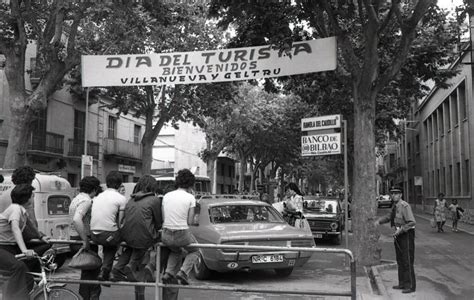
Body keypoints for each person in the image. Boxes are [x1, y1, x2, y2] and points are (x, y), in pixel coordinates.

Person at [0, 184, 51, 300]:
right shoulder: (15, 209)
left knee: (27, 276)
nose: (34, 198)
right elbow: (15, 228)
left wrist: (40, 237)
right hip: (2, 247)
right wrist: (25, 250)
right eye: (32, 196)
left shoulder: (23, 210)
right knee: (19, 267)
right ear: (26, 198)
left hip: (9, 247)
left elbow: (30, 224)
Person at [115, 175, 163, 282]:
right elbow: (158, 223)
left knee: (131, 246)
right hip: (143, 238)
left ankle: (118, 267)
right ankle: (145, 266)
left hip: (127, 236)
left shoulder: (131, 199)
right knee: (157, 241)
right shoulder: (154, 200)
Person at [161, 169, 199, 285]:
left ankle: (168, 273)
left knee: (175, 250)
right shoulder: (190, 198)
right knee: (196, 250)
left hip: (166, 234)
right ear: (191, 184)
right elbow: (190, 221)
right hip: (182, 234)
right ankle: (183, 272)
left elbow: (164, 218)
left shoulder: (167, 196)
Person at [375, 187, 416, 294]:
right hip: (398, 234)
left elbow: (411, 222)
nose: (393, 195)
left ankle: (410, 285)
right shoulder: (395, 206)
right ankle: (402, 283)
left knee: (407, 260)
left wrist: (401, 230)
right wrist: (380, 221)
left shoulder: (404, 206)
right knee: (400, 259)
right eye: (392, 194)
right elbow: (390, 217)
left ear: (401, 195)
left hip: (406, 234)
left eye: (396, 194)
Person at [69, 176, 102, 300]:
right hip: (82, 239)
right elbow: (77, 219)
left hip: (73, 238)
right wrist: (85, 240)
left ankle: (84, 297)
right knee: (93, 273)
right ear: (94, 189)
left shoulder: (76, 198)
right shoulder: (86, 201)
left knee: (87, 274)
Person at [90, 171, 127, 282]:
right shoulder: (121, 198)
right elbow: (120, 222)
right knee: (116, 238)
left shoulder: (97, 197)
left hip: (94, 234)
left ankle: (105, 271)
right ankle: (108, 270)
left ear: (106, 183)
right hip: (108, 235)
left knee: (109, 241)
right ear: (120, 184)